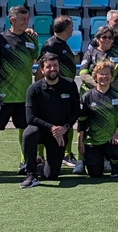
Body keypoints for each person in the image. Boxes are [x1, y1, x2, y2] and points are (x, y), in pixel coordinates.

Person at [0, 4, 38, 175]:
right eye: (22, 19)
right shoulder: (0, 40)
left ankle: (24, 161)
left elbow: (33, 63)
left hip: (24, 97)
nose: (26, 22)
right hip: (3, 97)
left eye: (27, 19)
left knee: (24, 129)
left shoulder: (31, 40)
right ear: (11, 19)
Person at [19, 53, 81, 188]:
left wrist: (64, 128)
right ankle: (31, 174)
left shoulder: (69, 85)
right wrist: (52, 128)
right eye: (48, 66)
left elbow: (76, 111)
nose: (53, 69)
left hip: (60, 134)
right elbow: (30, 118)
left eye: (55, 66)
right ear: (42, 69)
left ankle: (40, 164)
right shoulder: (34, 89)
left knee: (51, 175)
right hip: (41, 130)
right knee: (28, 133)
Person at [77, 60, 118, 178]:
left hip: (112, 138)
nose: (104, 77)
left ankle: (115, 164)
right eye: (101, 74)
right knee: (94, 174)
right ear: (95, 76)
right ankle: (95, 160)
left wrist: (117, 133)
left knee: (116, 152)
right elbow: (82, 120)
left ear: (112, 76)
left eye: (107, 74)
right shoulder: (87, 96)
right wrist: (80, 141)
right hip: (93, 140)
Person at [41, 15, 80, 86]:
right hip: (55, 88)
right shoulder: (52, 45)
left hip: (65, 86)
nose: (73, 29)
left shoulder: (62, 42)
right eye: (72, 27)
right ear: (67, 30)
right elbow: (42, 68)